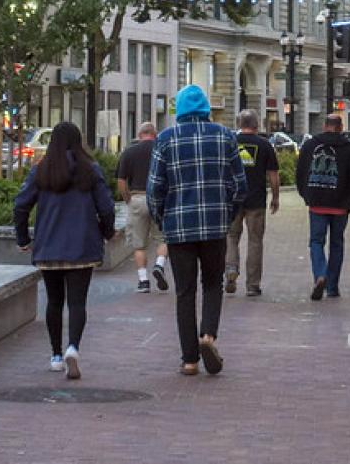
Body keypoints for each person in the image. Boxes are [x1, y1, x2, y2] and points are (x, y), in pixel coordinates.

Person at [146, 85, 247, 376]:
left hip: (178, 228)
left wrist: (162, 218)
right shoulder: (225, 136)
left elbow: (155, 189)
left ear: (179, 110)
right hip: (215, 226)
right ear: (205, 109)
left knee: (185, 292)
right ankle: (208, 335)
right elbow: (240, 186)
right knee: (213, 284)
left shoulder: (165, 139)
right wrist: (226, 213)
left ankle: (189, 360)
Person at [13, 121, 115, 381]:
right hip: (82, 247)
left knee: (54, 302)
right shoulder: (90, 170)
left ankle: (56, 356)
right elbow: (106, 207)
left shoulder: (41, 170)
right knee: (78, 302)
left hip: (49, 247)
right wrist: (106, 232)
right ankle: (74, 347)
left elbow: (21, 206)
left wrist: (23, 238)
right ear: (78, 141)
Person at [296, 114, 350, 300]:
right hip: (340, 205)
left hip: (317, 203)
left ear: (324, 125)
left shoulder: (310, 145)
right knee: (337, 244)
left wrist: (306, 194)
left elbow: (300, 171)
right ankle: (332, 287)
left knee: (316, 242)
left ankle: (320, 274)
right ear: (341, 127)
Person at [224, 110, 280, 297]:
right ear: (256, 125)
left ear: (239, 123)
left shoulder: (230, 143)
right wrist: (275, 197)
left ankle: (231, 269)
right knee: (255, 241)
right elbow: (273, 174)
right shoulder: (264, 145)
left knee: (231, 237)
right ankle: (252, 285)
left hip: (232, 199)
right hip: (256, 200)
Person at [116, 122, 169, 293]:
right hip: (159, 198)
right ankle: (159, 265)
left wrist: (128, 199)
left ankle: (143, 281)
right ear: (155, 134)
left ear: (139, 135)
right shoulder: (162, 150)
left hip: (137, 198)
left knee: (139, 244)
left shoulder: (129, 152)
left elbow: (121, 181)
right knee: (164, 238)